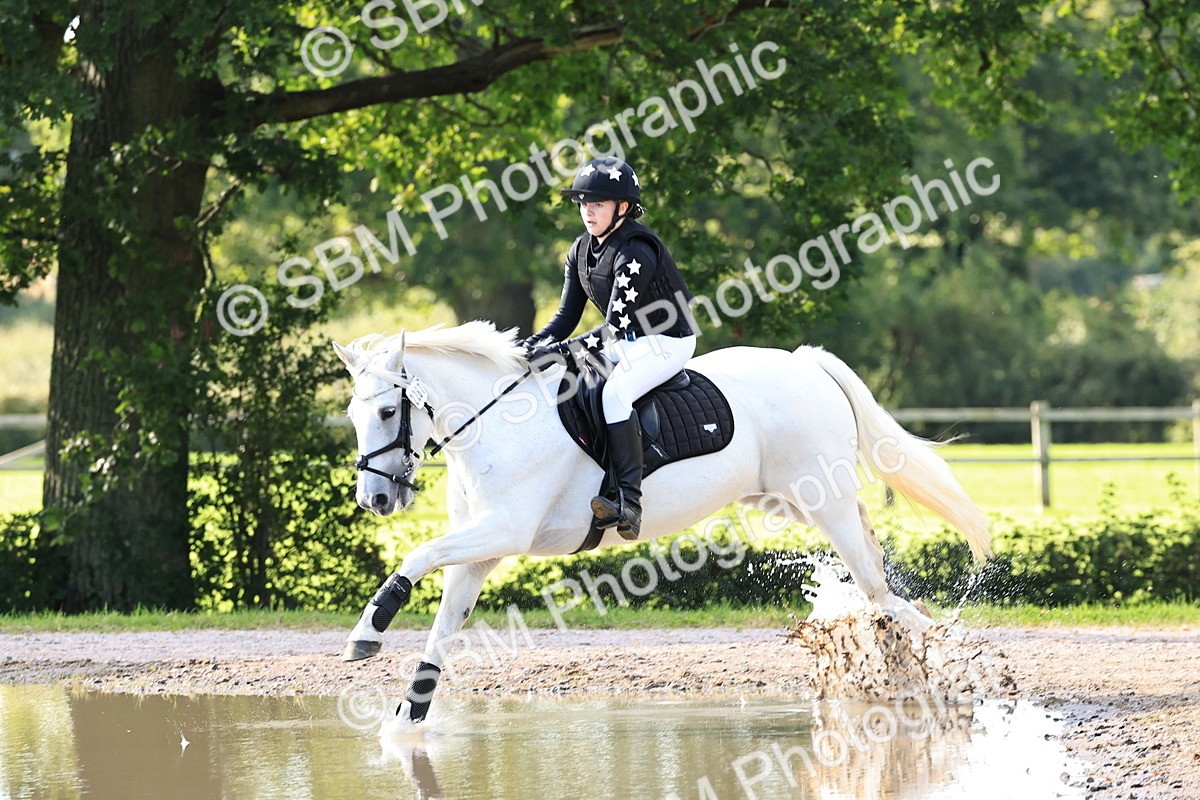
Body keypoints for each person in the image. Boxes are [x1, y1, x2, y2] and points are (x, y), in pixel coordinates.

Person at [523, 157, 697, 540]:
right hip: (627, 340)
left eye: (597, 204)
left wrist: (559, 352)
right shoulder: (581, 250)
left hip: (666, 340)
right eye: (583, 203)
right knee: (567, 381)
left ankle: (629, 501)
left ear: (623, 208)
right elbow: (565, 318)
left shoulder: (635, 250)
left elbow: (615, 327)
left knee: (616, 395)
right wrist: (529, 346)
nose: (588, 211)